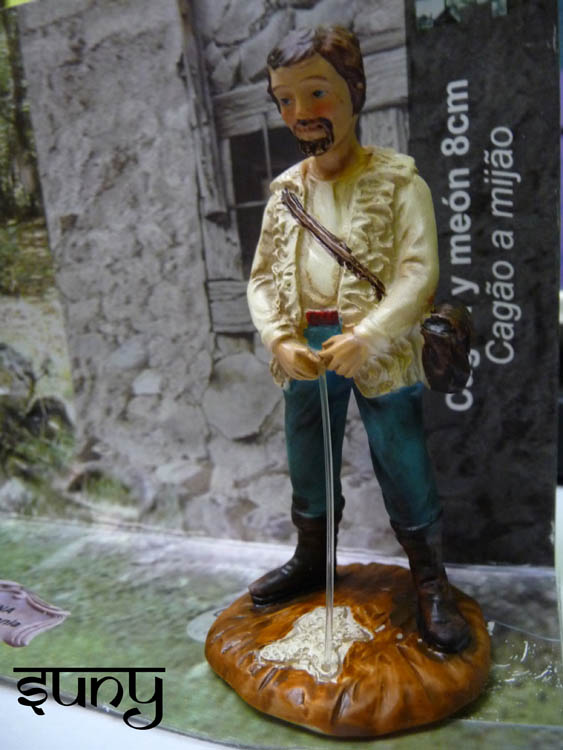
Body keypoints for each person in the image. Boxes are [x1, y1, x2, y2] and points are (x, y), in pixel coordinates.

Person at [246, 26, 469, 653]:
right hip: (306, 344)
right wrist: (278, 337)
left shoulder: (400, 183)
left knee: (400, 453)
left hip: (380, 345)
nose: (301, 112)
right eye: (285, 100)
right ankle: (311, 556)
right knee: (307, 450)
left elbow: (418, 274)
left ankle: (430, 579)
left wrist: (369, 335)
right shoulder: (286, 195)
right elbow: (261, 277)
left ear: (354, 91)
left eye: (317, 93)